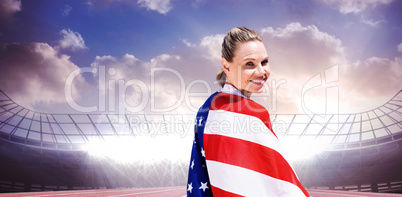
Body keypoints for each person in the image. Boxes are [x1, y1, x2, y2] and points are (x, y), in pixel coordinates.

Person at [187, 27, 309, 196]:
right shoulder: (253, 114)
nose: (261, 72)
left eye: (264, 62)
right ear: (226, 66)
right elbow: (281, 186)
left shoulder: (206, 109)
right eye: (249, 64)